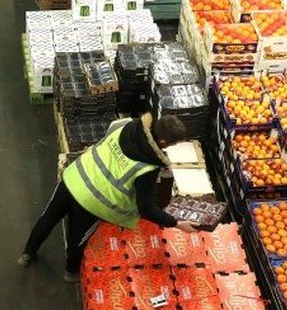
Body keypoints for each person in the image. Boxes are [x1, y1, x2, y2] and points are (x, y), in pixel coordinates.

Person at [18, 113, 198, 283]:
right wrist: (176, 223)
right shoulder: (149, 167)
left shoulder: (126, 124)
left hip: (75, 176)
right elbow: (146, 209)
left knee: (48, 217)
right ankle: (70, 272)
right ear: (163, 142)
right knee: (77, 238)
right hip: (93, 201)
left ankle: (27, 253)